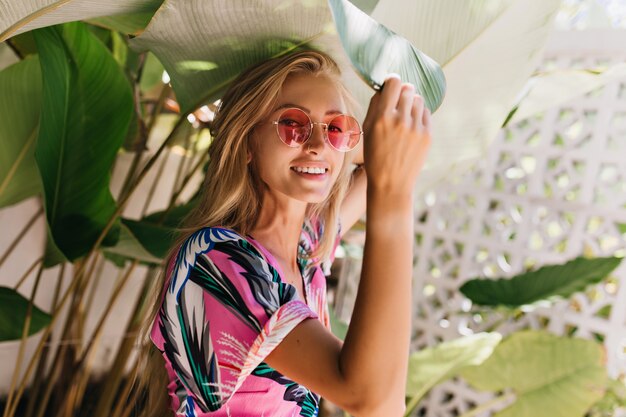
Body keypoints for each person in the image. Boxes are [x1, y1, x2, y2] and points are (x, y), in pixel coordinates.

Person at [143, 50, 431, 417]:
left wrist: (361, 139)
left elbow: (375, 158)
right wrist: (395, 192)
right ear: (247, 143)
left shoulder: (306, 251)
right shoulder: (216, 263)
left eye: (335, 128)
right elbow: (374, 401)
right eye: (292, 125)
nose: (316, 145)